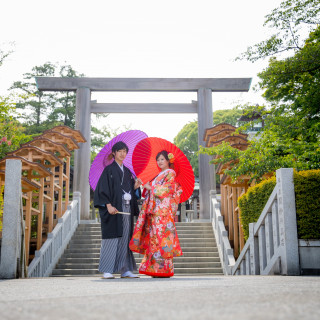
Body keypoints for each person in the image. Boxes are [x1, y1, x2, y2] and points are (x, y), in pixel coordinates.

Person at [129, 150, 183, 277]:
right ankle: (155, 268)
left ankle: (164, 269)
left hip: (162, 212)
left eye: (162, 159)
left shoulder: (170, 173)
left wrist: (150, 188)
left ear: (168, 160)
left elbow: (167, 190)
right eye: (158, 159)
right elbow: (152, 192)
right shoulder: (159, 175)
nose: (159, 162)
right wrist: (147, 187)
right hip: (155, 211)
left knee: (163, 239)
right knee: (154, 240)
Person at [94, 141, 142, 279]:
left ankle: (125, 269)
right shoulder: (108, 170)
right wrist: (108, 205)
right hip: (113, 207)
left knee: (125, 237)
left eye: (124, 151)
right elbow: (102, 189)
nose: (122, 154)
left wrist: (135, 187)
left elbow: (130, 192)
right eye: (119, 151)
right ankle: (107, 270)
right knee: (111, 237)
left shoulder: (127, 171)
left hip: (125, 207)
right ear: (113, 153)